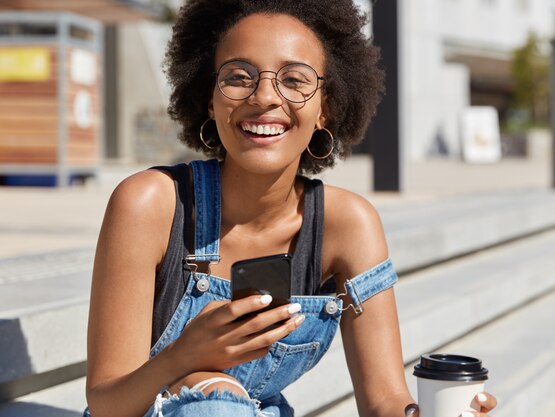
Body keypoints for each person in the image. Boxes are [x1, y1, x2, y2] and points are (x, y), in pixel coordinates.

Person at [84, 1, 498, 416]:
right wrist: (182, 358)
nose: (264, 96)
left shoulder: (347, 224)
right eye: (238, 76)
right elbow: (105, 402)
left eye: (294, 80)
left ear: (326, 108)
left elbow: (384, 400)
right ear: (209, 99)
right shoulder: (151, 204)